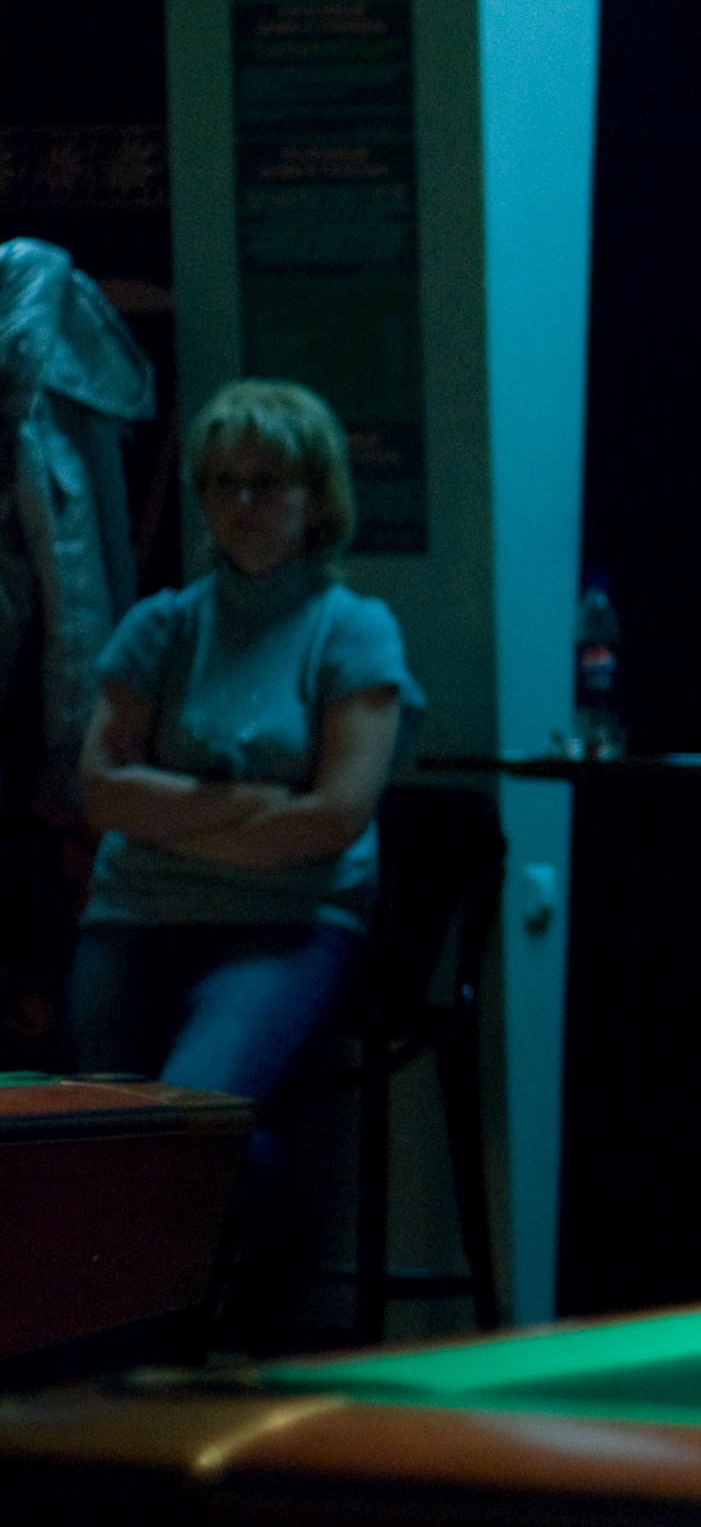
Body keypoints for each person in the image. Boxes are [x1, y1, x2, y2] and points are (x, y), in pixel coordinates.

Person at [70, 379, 423, 1342]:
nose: (243, 503)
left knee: (190, 1120)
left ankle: (244, 1301)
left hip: (286, 924)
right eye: (223, 482)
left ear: (316, 497)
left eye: (267, 482)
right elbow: (102, 791)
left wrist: (173, 812)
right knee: (101, 1136)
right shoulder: (163, 624)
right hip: (137, 917)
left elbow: (335, 815)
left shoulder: (350, 629)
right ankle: (135, 1365)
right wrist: (248, 804)